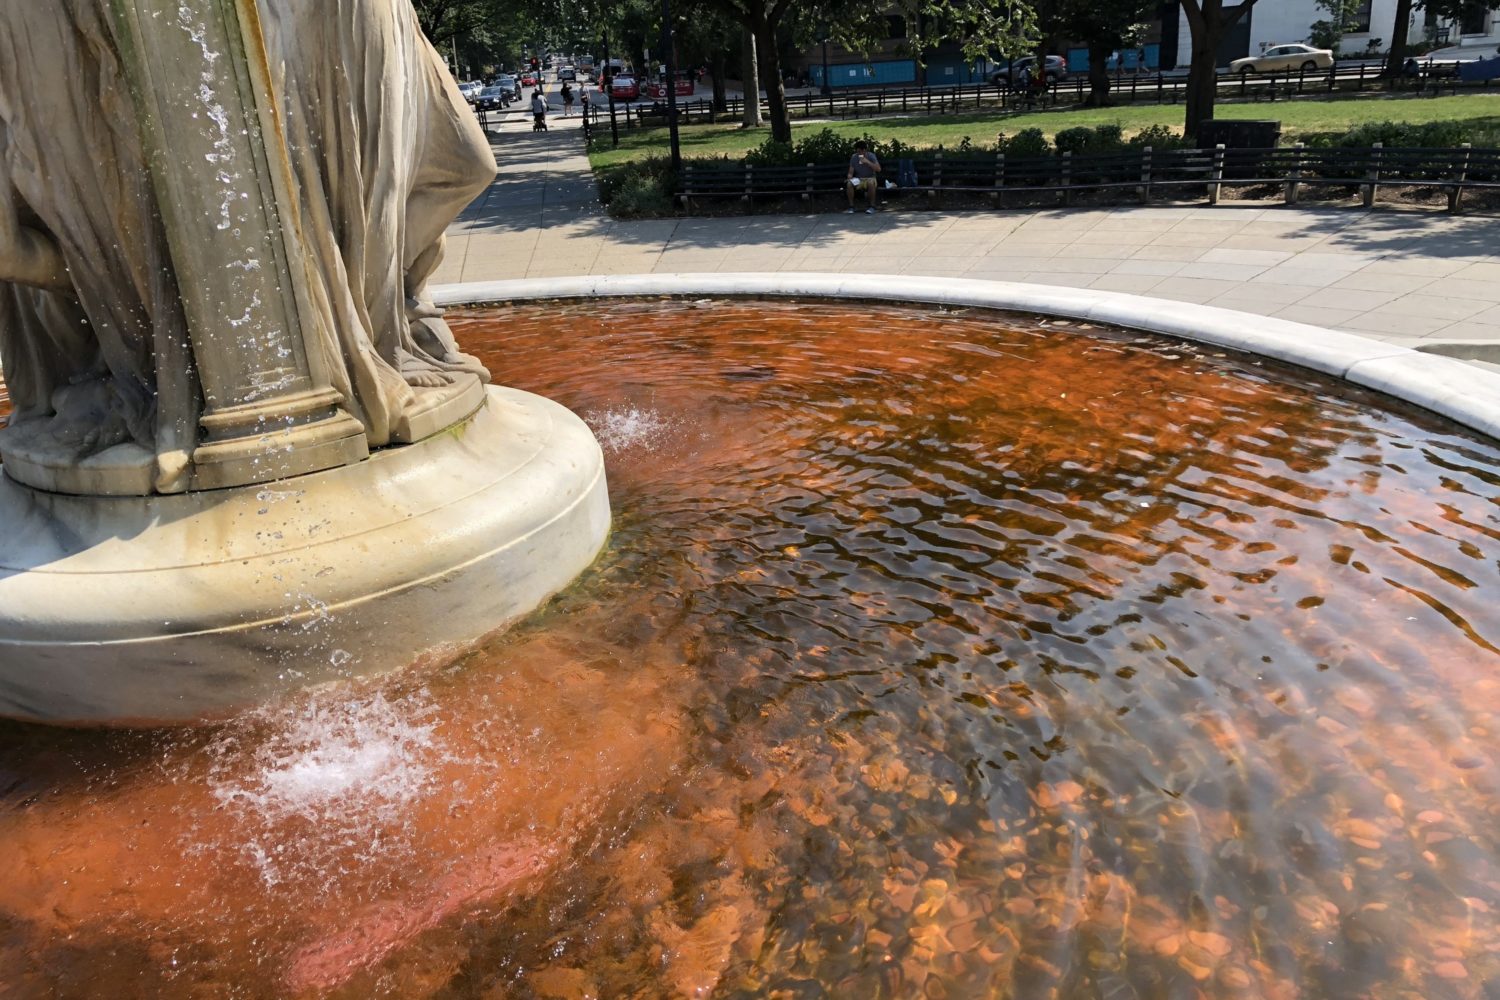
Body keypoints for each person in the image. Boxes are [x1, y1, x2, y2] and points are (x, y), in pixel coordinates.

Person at [845, 139, 881, 214]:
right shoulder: (854, 157)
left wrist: (867, 162)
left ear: (864, 150)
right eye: (857, 152)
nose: (858, 154)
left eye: (860, 152)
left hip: (870, 178)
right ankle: (851, 206)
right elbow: (850, 172)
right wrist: (849, 177)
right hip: (859, 179)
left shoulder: (871, 156)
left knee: (870, 183)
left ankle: (872, 206)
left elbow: (878, 169)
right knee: (849, 184)